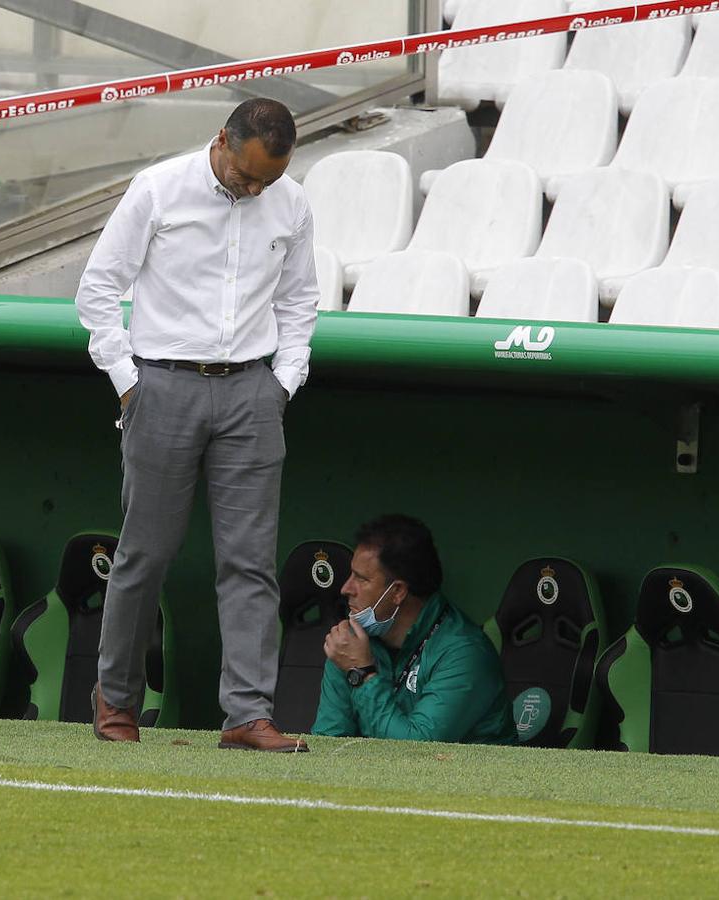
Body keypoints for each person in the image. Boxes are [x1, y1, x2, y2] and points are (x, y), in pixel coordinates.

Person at [74, 98, 319, 751]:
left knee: (250, 563)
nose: (256, 188)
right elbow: (97, 289)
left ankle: (246, 715)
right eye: (247, 175)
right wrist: (129, 383)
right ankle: (116, 702)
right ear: (223, 143)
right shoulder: (158, 188)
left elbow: (300, 299)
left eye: (268, 178)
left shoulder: (291, 203)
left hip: (253, 393)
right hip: (162, 385)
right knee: (144, 555)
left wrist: (283, 383)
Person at [313, 515, 516, 744]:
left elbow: (417, 751)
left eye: (361, 579)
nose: (345, 588)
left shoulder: (465, 653)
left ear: (398, 591)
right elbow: (329, 742)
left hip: (470, 777)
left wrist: (362, 674)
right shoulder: (349, 645)